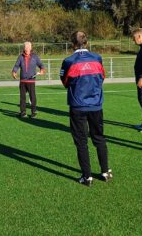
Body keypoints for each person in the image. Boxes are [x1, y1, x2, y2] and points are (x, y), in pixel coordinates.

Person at [59, 31, 112, 186]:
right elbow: (102, 77)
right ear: (86, 43)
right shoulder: (97, 58)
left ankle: (87, 176)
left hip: (78, 106)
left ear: (73, 44)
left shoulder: (69, 61)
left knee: (81, 141)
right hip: (96, 105)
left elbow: (65, 82)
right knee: (99, 137)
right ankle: (105, 171)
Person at [11, 41, 45, 118]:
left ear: (31, 48)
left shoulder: (35, 57)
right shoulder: (20, 57)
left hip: (31, 80)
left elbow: (41, 65)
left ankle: (33, 112)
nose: (26, 49)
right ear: (24, 48)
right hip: (22, 81)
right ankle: (23, 112)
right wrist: (14, 72)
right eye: (25, 47)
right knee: (22, 97)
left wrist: (42, 71)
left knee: (33, 97)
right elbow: (16, 66)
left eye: (28, 47)